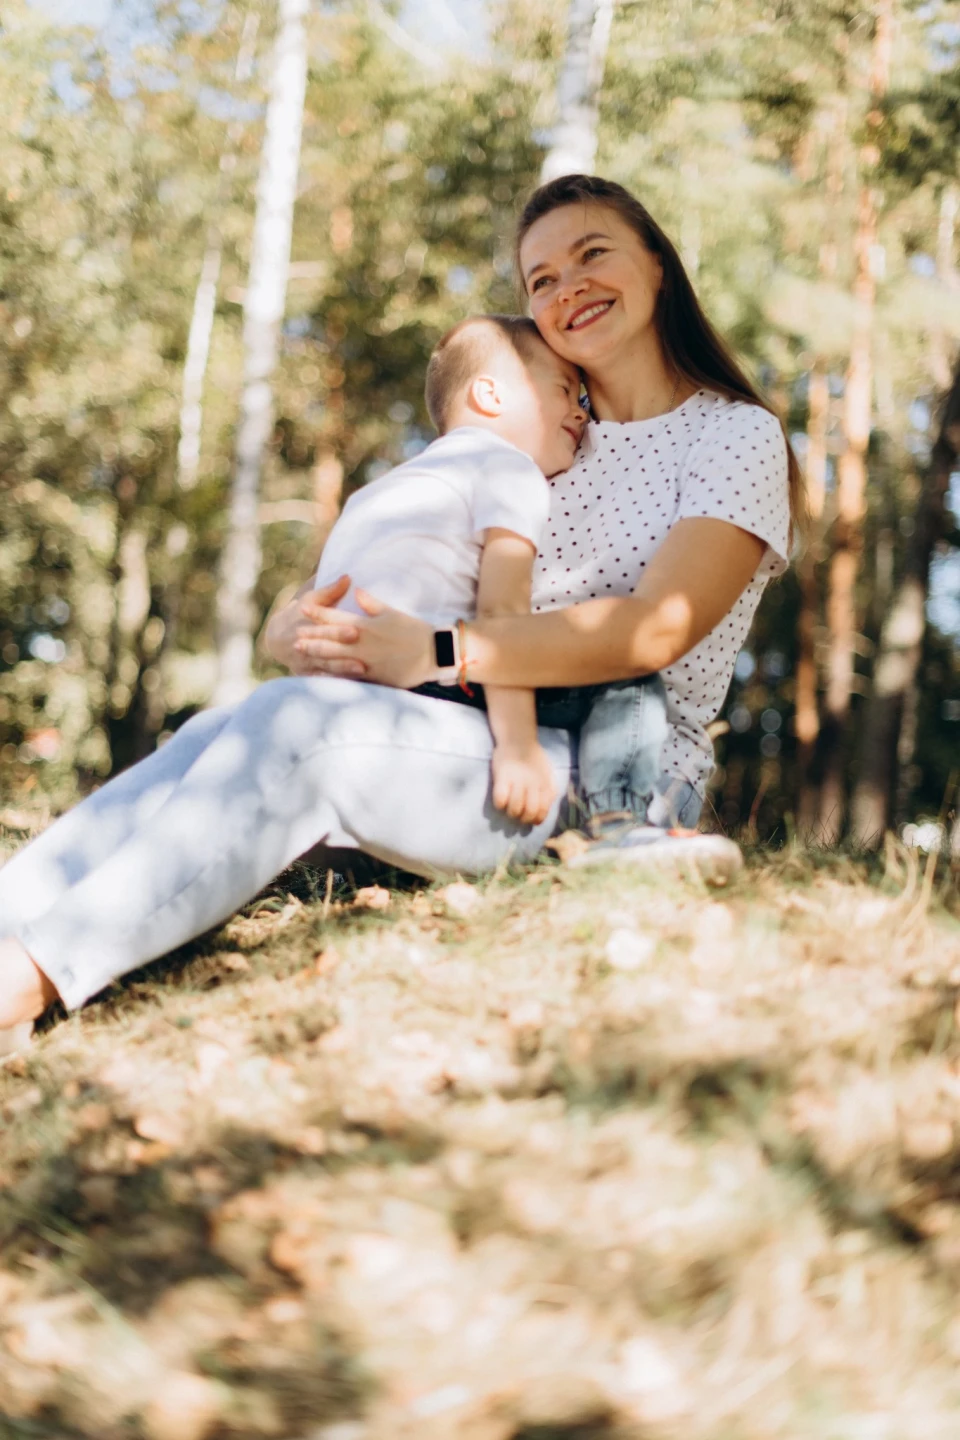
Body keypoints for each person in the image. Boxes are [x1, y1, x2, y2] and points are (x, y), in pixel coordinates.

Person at [0, 172, 799, 1044]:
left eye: (592, 253)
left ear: (658, 263)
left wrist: (441, 652)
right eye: (539, 279)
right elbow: (414, 552)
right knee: (219, 731)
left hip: (614, 777)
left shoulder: (733, 435)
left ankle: (32, 976)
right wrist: (296, 619)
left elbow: (657, 629)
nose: (566, 286)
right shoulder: (542, 435)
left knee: (306, 727)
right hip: (473, 733)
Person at [317, 311, 667, 840]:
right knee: (625, 672)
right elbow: (502, 616)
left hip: (342, 682)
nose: (582, 414)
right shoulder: (508, 467)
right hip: (428, 678)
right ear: (491, 396)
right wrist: (519, 748)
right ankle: (620, 824)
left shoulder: (379, 490)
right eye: (566, 391)